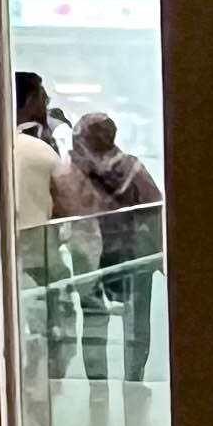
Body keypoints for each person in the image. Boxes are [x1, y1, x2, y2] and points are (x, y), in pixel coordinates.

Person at [51, 111, 164, 385]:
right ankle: (132, 381)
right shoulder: (131, 167)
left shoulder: (72, 171)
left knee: (95, 321)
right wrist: (163, 254)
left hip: (93, 255)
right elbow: (155, 208)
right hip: (132, 256)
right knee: (134, 326)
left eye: (80, 137)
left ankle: (97, 385)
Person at [11, 71, 75, 382]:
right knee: (57, 306)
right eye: (40, 94)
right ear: (29, 99)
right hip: (39, 247)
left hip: (9, 251)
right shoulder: (40, 149)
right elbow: (70, 200)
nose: (46, 100)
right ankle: (51, 373)